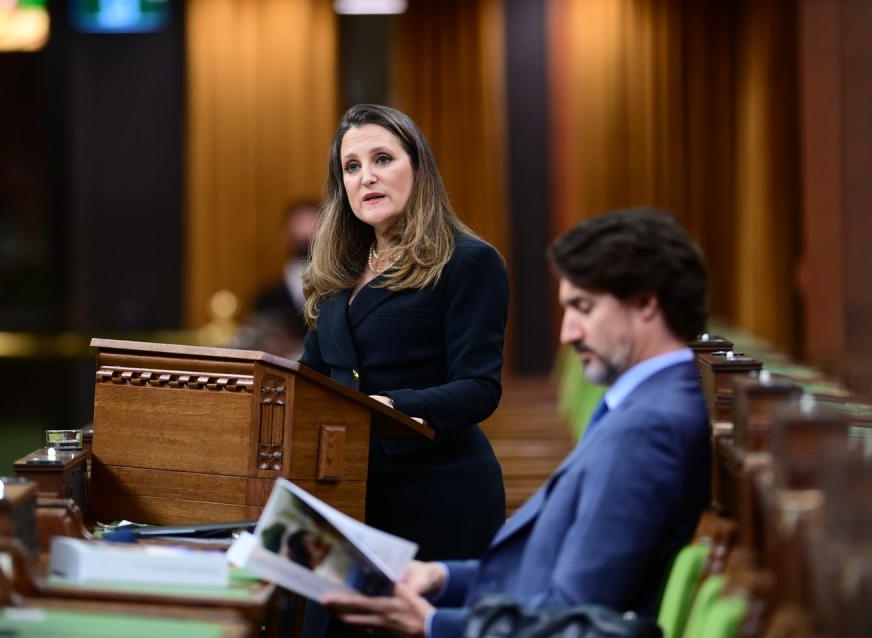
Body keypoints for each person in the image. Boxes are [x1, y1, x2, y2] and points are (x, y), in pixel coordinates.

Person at [323, 208, 712, 637]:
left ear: (644, 304)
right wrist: (442, 577)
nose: (568, 333)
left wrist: (433, 624)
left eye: (583, 307)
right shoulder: (647, 405)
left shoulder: (650, 427)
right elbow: (553, 576)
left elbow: (573, 617)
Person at [299, 104, 508, 561]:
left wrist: (393, 407)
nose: (366, 176)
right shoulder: (335, 272)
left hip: (438, 498)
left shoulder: (468, 262)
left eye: (382, 159)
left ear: (418, 169)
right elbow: (310, 381)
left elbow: (479, 387)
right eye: (351, 167)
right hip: (345, 493)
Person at [253, 199, 321, 348]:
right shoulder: (267, 296)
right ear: (285, 237)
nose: (306, 232)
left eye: (312, 225)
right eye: (299, 223)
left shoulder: (342, 290)